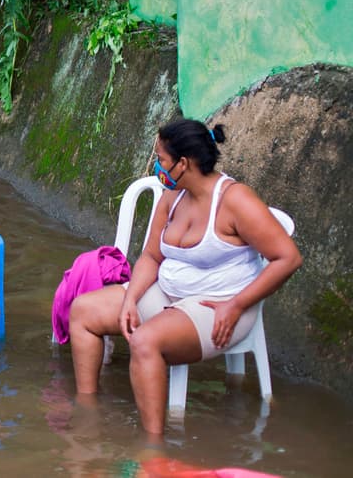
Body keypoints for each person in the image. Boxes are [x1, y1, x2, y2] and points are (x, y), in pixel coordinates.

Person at [68, 118, 302, 436]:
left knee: (145, 341)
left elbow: (288, 258)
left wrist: (236, 305)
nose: (156, 166)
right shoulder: (173, 195)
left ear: (183, 163)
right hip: (167, 292)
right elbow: (151, 256)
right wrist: (130, 298)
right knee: (83, 310)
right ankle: (87, 413)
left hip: (219, 306)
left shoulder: (235, 200)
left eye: (161, 159)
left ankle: (153, 447)